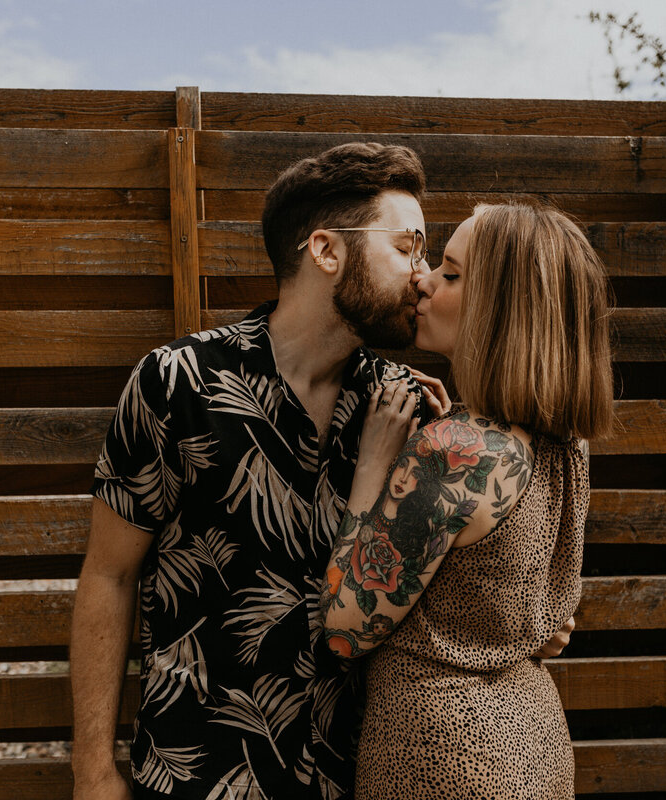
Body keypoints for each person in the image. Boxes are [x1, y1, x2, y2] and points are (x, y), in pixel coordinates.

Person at [69, 141, 444, 800]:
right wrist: (93, 769)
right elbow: (109, 573)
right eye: (408, 246)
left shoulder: (403, 407)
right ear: (326, 252)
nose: (425, 273)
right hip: (195, 775)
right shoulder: (175, 385)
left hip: (350, 780)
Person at [321, 203, 614, 800]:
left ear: (501, 309)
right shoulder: (563, 443)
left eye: (451, 274)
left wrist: (377, 463)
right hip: (534, 744)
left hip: (441, 756)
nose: (424, 280)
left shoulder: (456, 450)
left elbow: (345, 627)